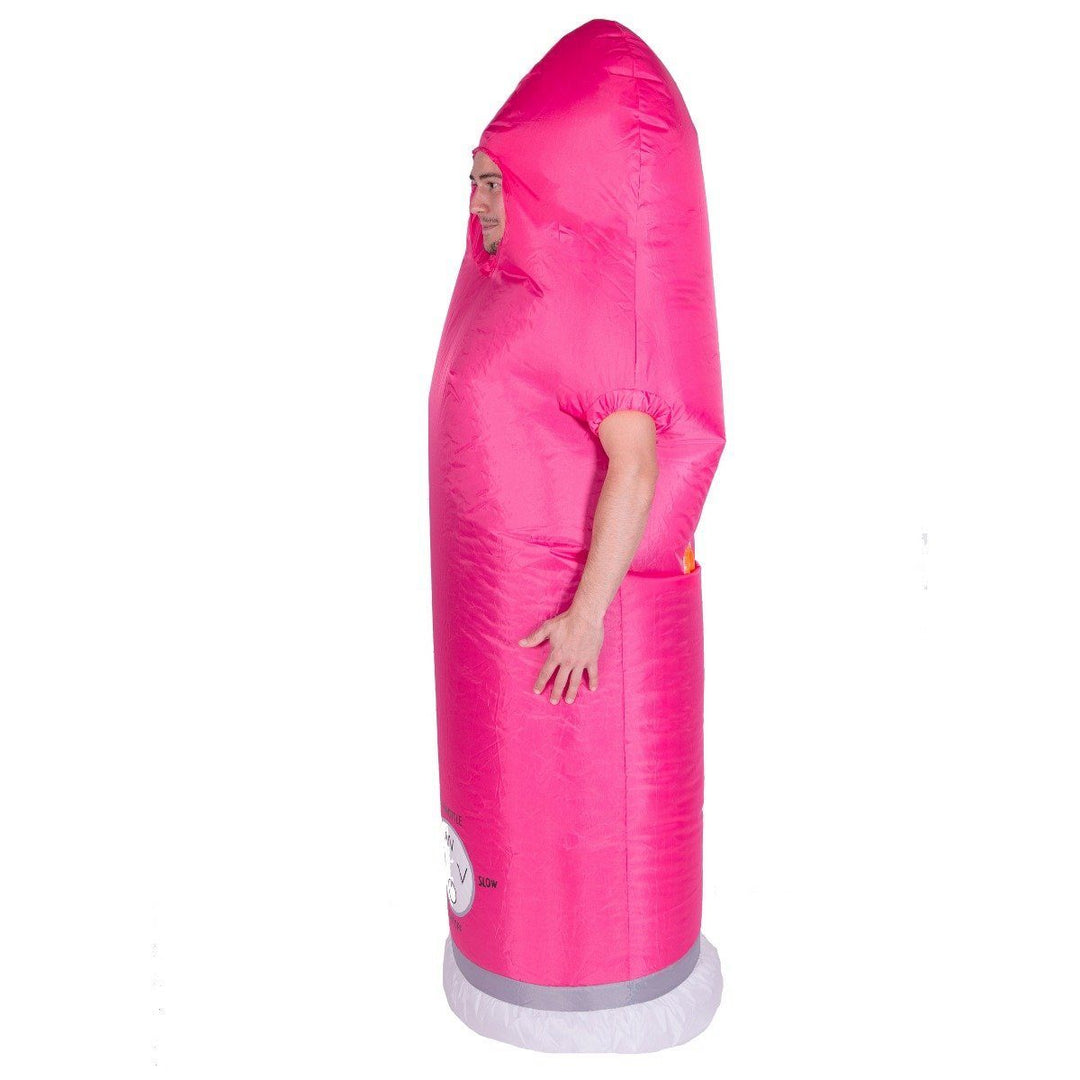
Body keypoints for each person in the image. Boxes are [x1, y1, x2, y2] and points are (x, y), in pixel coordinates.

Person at [468, 149, 666, 706]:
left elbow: (636, 465)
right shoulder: (517, 296)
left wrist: (586, 617)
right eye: (473, 184)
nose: (476, 203)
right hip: (494, 624)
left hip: (571, 646)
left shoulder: (588, 303)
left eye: (493, 184)